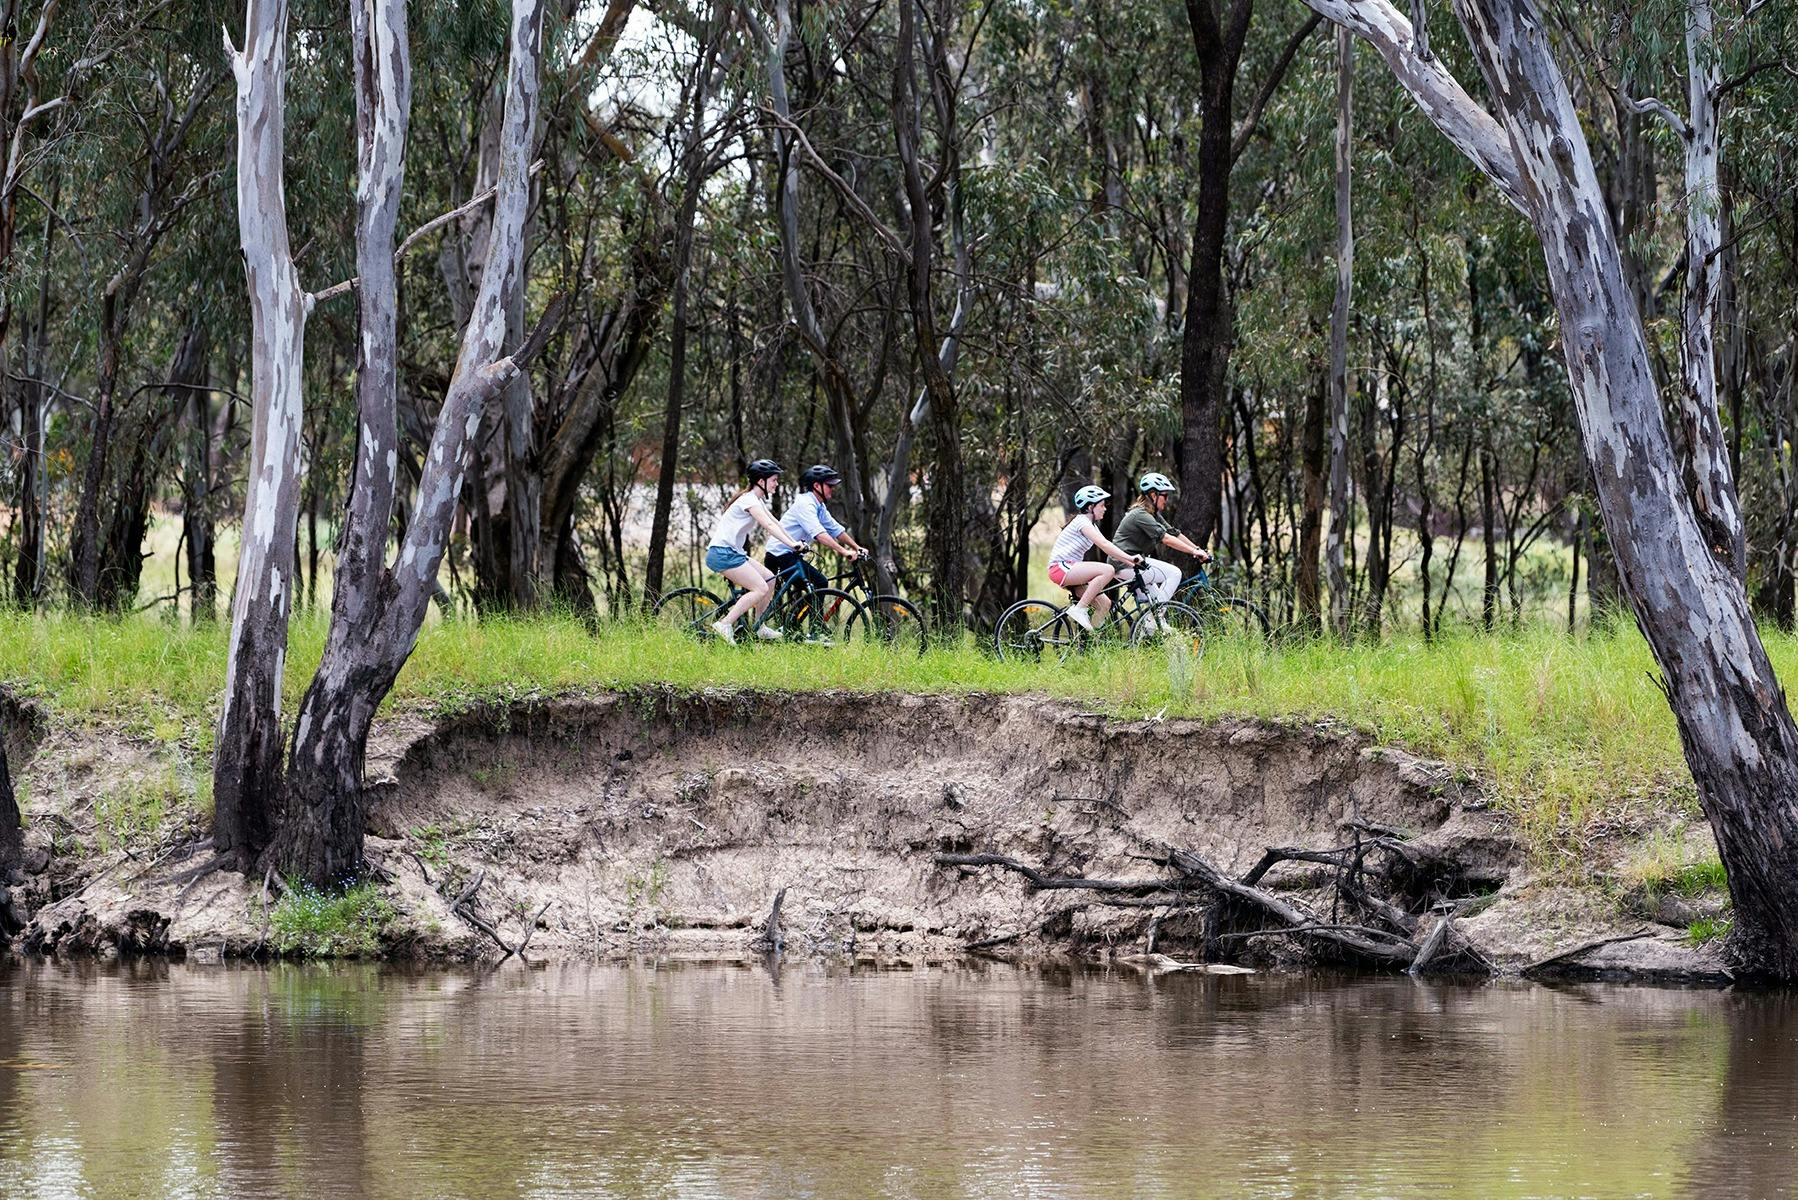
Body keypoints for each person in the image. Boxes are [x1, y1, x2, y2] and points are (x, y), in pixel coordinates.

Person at [703, 459, 808, 644]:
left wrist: (794, 542)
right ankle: (725, 624)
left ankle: (759, 626)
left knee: (770, 578)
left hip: (733, 553)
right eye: (774, 479)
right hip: (722, 553)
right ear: (761, 481)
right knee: (760, 588)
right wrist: (792, 545)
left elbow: (775, 522)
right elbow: (767, 525)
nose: (777, 483)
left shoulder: (755, 501)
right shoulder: (749, 500)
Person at [1110, 472, 1211, 613]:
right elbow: (1166, 539)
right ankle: (1154, 618)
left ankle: (1150, 626)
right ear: (1153, 495)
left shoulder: (1153, 514)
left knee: (1157, 603)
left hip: (1135, 563)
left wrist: (1198, 549)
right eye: (1165, 495)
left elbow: (1173, 533)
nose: (1167, 500)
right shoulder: (1141, 515)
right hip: (1125, 564)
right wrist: (1193, 552)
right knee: (1174, 573)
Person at [1047, 485, 1143, 631]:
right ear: (1091, 506)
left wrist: (1131, 562)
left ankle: (1092, 641)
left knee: (1104, 604)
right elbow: (1105, 545)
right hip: (1060, 568)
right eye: (1102, 505)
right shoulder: (1082, 522)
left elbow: (1109, 548)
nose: (1105, 509)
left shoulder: (1091, 525)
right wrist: (1130, 558)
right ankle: (1079, 609)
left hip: (1071, 569)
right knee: (1107, 570)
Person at [766, 464, 869, 590]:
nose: (833, 489)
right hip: (779, 554)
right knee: (820, 583)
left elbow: (835, 529)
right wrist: (844, 551)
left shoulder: (819, 506)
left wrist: (857, 547)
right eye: (829, 486)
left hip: (791, 555)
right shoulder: (805, 504)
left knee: (813, 588)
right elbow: (819, 534)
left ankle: (801, 610)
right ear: (816, 486)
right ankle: (809, 610)